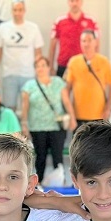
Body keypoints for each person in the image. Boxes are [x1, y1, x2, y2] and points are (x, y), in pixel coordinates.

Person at [20, 56, 74, 184]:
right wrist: (24, 124)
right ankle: (38, 183)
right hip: (37, 127)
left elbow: (66, 101)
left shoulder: (58, 82)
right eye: (38, 66)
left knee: (57, 155)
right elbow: (25, 106)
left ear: (49, 67)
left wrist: (72, 117)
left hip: (56, 126)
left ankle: (60, 182)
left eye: (43, 65)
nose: (41, 68)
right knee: (40, 156)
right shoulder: (29, 86)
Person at [0, 1, 44, 111]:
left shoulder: (33, 28)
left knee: (28, 108)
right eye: (15, 10)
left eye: (20, 10)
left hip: (28, 74)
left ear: (24, 11)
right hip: (9, 74)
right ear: (11, 11)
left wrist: (39, 72)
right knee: (9, 109)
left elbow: (38, 52)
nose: (17, 13)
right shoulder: (3, 27)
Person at [64, 29, 111, 128]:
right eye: (83, 41)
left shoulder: (104, 61)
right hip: (79, 116)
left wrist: (108, 108)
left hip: (100, 116)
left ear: (95, 42)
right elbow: (67, 89)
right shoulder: (73, 62)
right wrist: (70, 114)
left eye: (89, 40)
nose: (86, 44)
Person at [49, 0, 98, 77]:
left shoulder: (91, 21)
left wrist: (95, 63)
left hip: (85, 65)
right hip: (64, 65)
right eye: (72, 1)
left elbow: (96, 45)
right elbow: (52, 46)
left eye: (77, 1)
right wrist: (51, 67)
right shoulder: (59, 21)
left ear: (81, 2)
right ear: (68, 2)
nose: (74, 4)